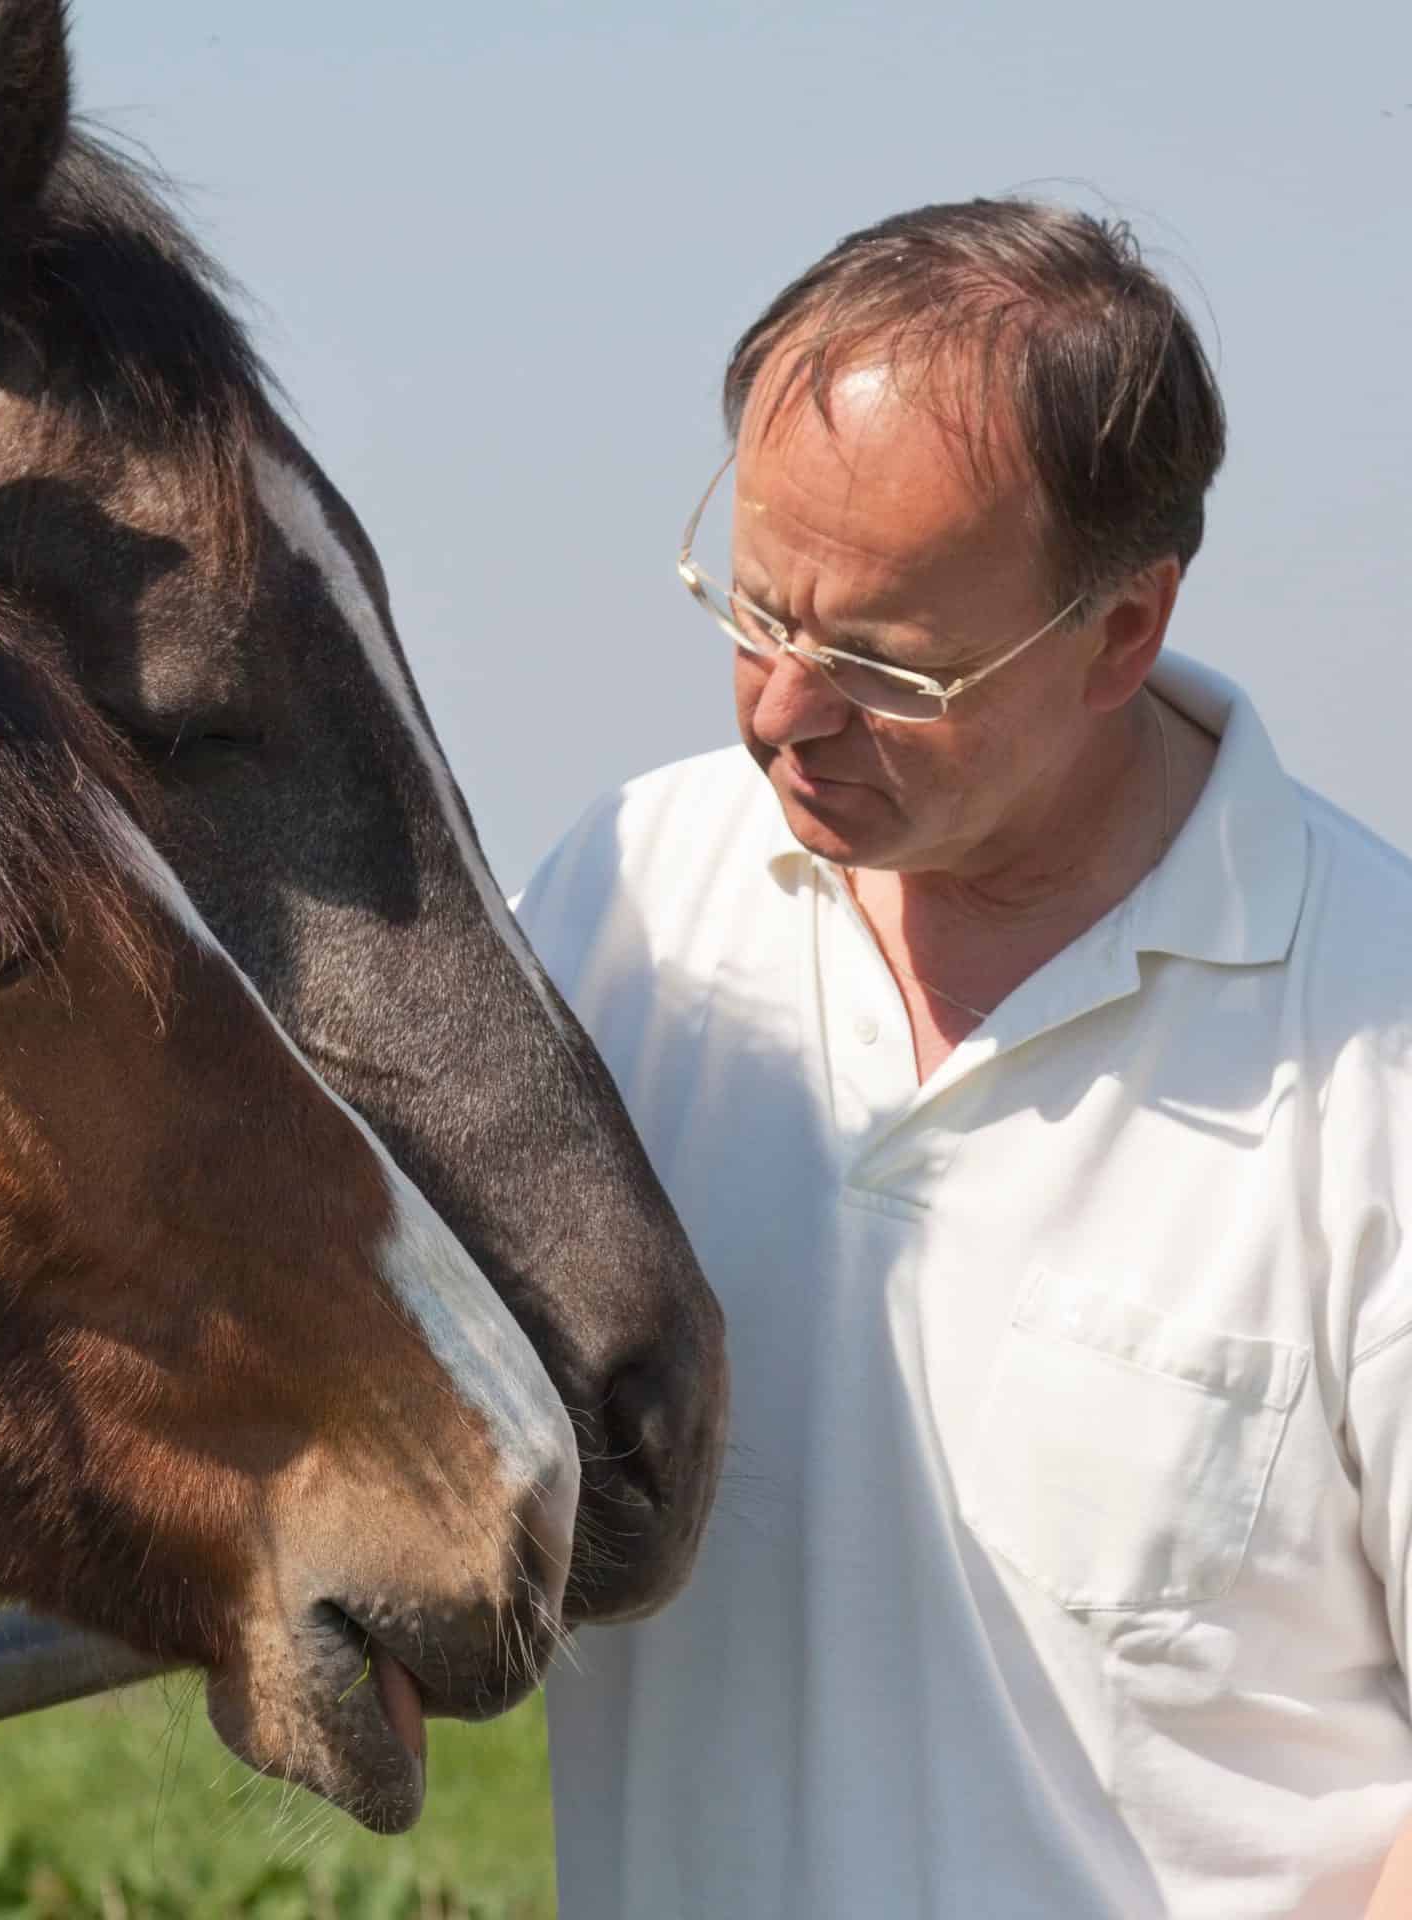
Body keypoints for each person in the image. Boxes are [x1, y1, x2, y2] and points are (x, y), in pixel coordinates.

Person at [519, 198, 1412, 1917]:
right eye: (755, 606)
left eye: (880, 663)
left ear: (1122, 632)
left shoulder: (1371, 1048)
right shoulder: (619, 905)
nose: (779, 709)